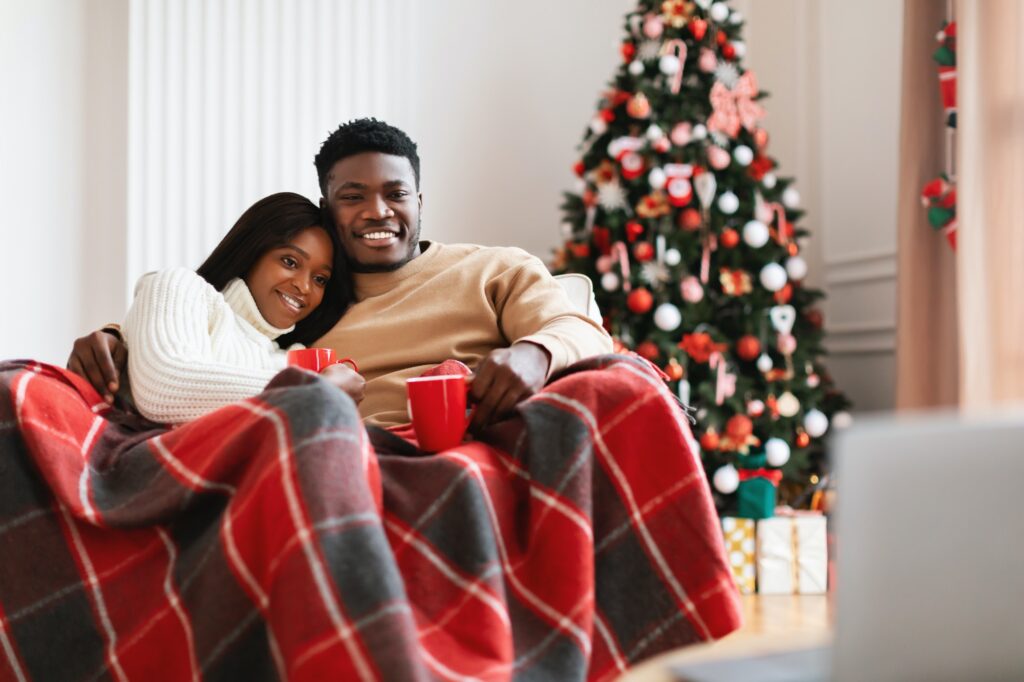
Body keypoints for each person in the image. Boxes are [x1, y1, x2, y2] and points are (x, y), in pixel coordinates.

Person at [70, 119, 611, 429]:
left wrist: (534, 352)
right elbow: (220, 344)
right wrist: (123, 339)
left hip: (463, 442)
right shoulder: (312, 306)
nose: (377, 211)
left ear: (419, 202)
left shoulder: (495, 269)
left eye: (396, 195)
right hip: (340, 451)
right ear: (328, 210)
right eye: (353, 197)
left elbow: (582, 332)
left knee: (624, 390)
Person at [83, 192, 365, 424]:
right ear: (252, 251)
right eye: (290, 262)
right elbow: (165, 389)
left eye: (320, 279)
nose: (304, 287)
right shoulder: (181, 286)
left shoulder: (289, 359)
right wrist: (316, 394)